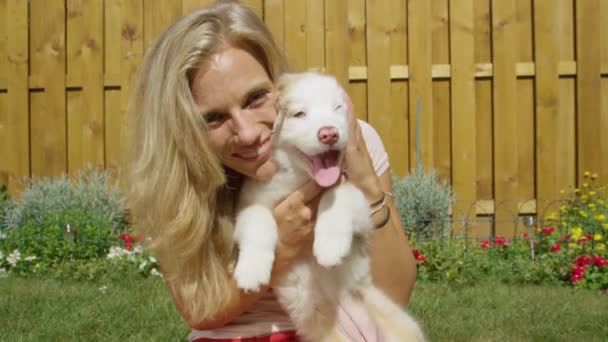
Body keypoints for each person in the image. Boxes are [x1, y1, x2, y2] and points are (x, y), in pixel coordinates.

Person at [126, 1, 417, 341]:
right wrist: (283, 250)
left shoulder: (350, 143)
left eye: (256, 97)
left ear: (279, 81)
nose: (247, 132)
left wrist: (365, 180)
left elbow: (395, 293)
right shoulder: (180, 177)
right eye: (214, 118)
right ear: (184, 128)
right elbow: (200, 311)